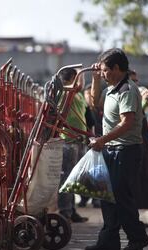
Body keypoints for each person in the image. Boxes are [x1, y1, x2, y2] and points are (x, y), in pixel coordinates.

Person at [85, 48, 148, 250]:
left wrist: (102, 139)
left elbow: (127, 123)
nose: (103, 74)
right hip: (110, 150)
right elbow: (95, 104)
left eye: (104, 70)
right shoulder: (110, 90)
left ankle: (137, 238)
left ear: (116, 68)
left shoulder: (127, 91)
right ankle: (108, 240)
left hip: (126, 151)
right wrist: (95, 79)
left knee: (122, 197)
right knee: (107, 197)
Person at [57, 67, 89, 223]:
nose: (81, 81)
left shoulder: (79, 96)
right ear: (71, 79)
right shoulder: (64, 94)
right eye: (78, 77)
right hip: (68, 141)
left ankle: (71, 210)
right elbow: (60, 89)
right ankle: (65, 212)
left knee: (74, 178)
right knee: (67, 178)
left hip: (79, 141)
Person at [127, 70, 148, 209]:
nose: (136, 84)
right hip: (133, 142)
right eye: (133, 81)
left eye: (137, 81)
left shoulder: (135, 94)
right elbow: (133, 118)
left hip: (142, 142)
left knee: (145, 173)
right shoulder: (126, 95)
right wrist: (144, 102)